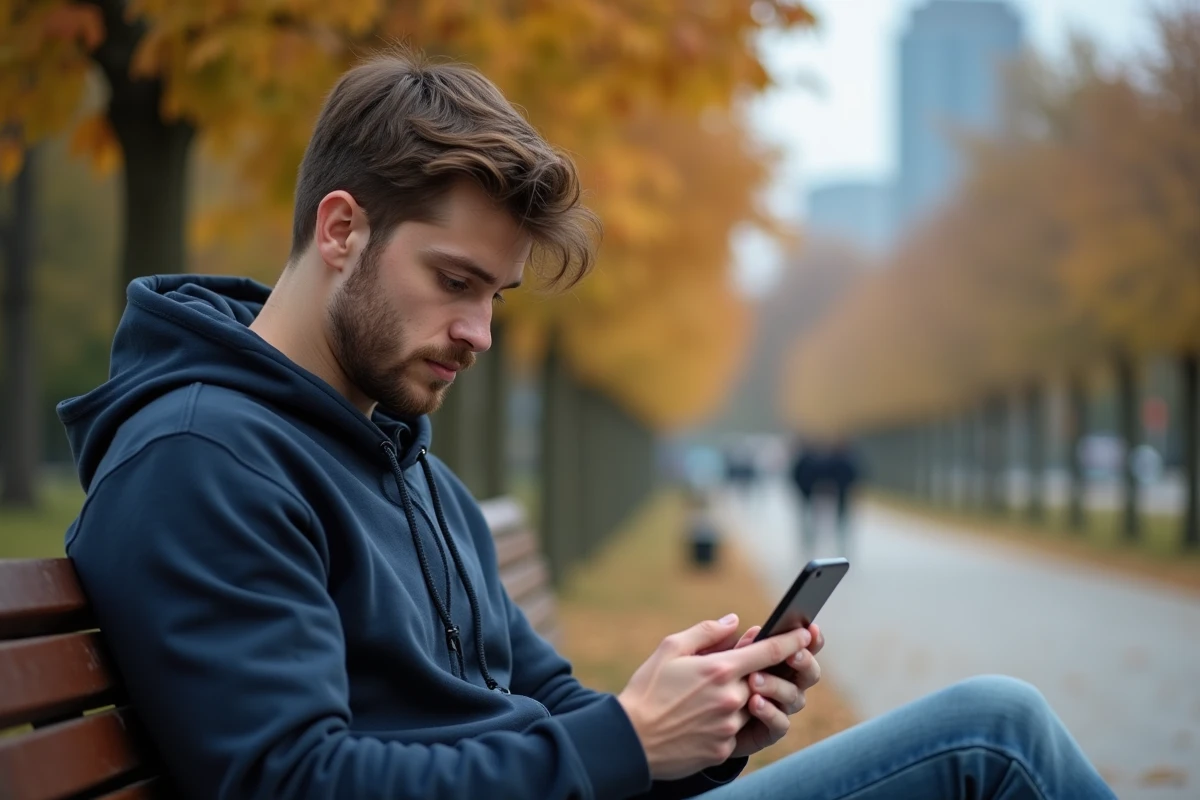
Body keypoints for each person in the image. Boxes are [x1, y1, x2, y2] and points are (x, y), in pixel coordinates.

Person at [59, 50, 1116, 799]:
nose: (476, 331)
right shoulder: (201, 459)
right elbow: (291, 780)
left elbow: (550, 698)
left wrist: (700, 722)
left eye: (498, 298)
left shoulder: (402, 460)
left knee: (995, 730)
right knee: (997, 737)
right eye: (454, 280)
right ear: (342, 228)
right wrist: (620, 740)